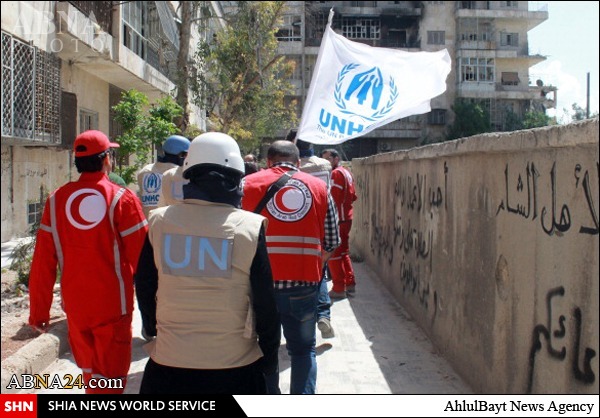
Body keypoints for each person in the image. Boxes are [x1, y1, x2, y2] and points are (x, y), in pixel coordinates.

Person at [135, 132, 280, 394]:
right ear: (237, 177)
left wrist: (152, 328)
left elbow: (144, 283)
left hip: (169, 366)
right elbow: (265, 302)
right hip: (235, 367)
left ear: (189, 173)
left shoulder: (159, 221)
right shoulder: (248, 226)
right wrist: (270, 361)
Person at [28, 130, 148, 394]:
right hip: (112, 307)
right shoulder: (121, 198)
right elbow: (145, 260)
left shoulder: (56, 200)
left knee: (91, 377)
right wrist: (159, 309)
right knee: (111, 380)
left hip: (77, 308)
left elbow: (42, 262)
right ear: (107, 159)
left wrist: (39, 312)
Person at [242, 140, 340, 394]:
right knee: (303, 350)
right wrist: (314, 266)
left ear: (267, 161)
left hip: (259, 285)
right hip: (303, 283)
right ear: (298, 163)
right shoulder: (319, 187)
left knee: (264, 348)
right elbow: (332, 241)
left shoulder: (247, 185)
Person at [285, 128, 335, 339]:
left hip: (293, 221)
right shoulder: (324, 165)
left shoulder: (290, 169)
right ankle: (323, 314)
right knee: (320, 270)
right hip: (321, 220)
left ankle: (291, 315)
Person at [321, 148, 358, 299]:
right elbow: (353, 196)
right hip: (346, 217)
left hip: (339, 219)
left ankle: (338, 288)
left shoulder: (336, 174)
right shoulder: (347, 172)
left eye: (328, 159)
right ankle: (349, 283)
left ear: (336, 159)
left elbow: (333, 199)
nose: (326, 163)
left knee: (334, 254)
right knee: (343, 252)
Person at [137, 135, 190, 218]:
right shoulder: (179, 174)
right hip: (169, 224)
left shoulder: (144, 171)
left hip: (147, 224)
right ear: (181, 155)